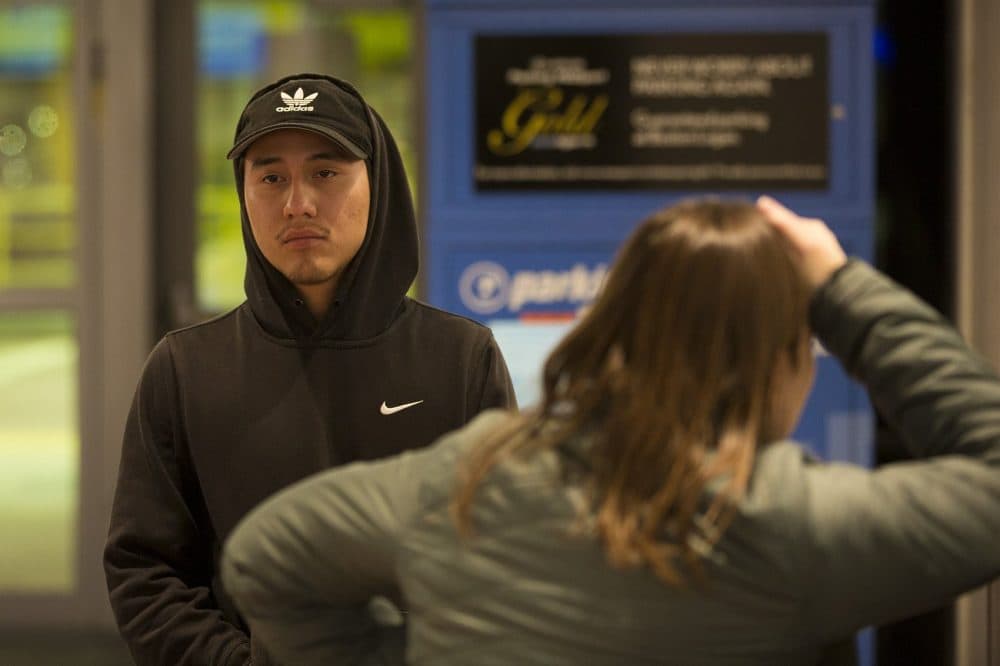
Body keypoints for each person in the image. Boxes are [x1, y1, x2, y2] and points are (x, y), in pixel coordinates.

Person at [221, 196, 1000, 665]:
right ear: (782, 360)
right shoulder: (782, 521)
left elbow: (263, 560)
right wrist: (841, 288)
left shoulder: (465, 478)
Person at [103, 73, 516, 666]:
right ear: (245, 195)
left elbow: (504, 560)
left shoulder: (461, 358)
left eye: (326, 172)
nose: (298, 203)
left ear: (378, 184)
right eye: (271, 177)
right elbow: (145, 571)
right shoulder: (185, 369)